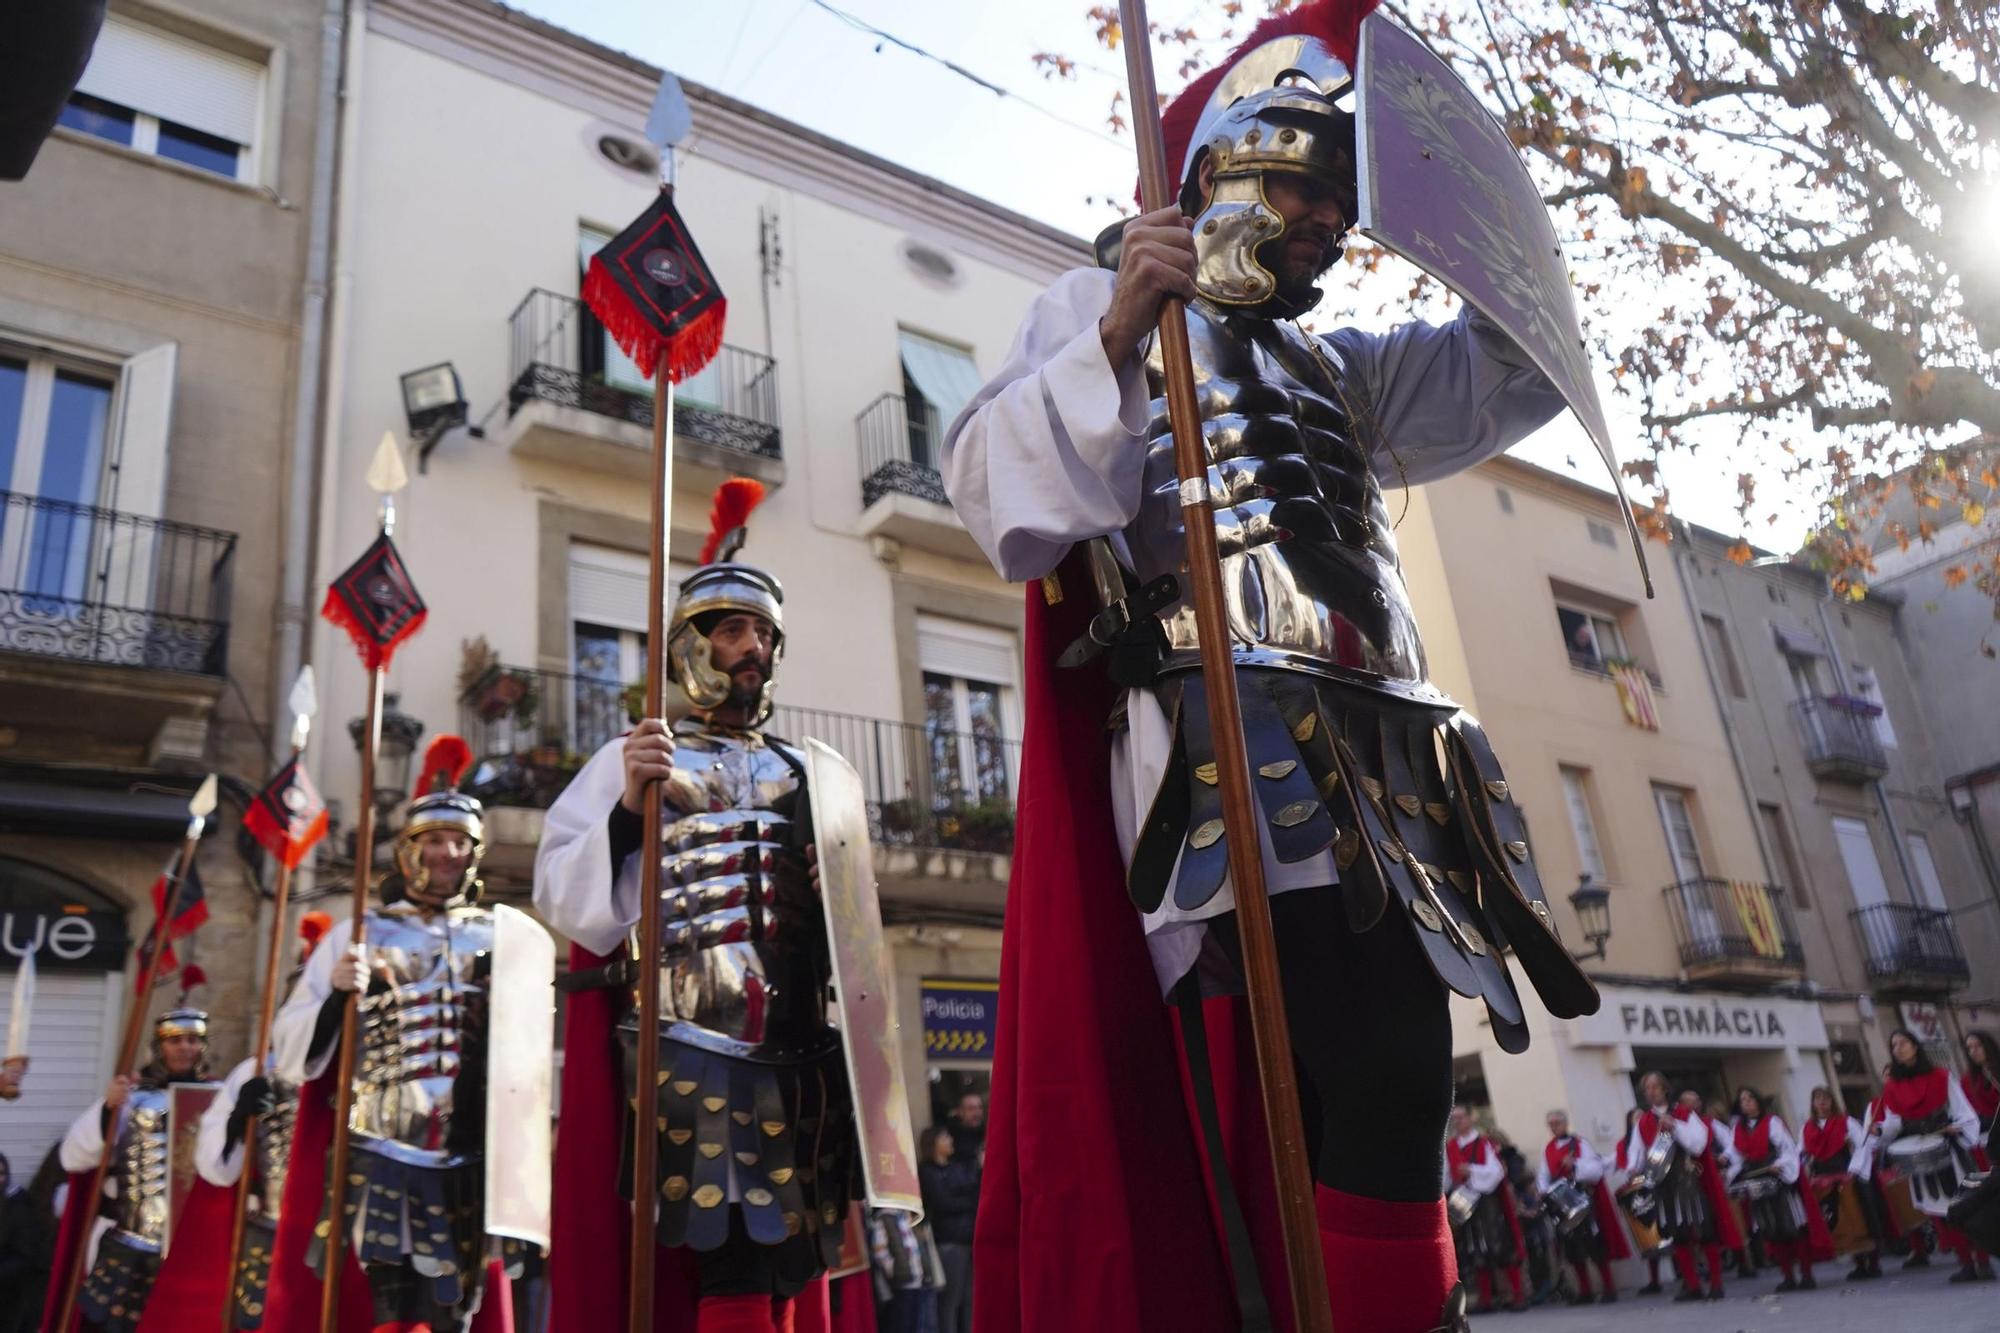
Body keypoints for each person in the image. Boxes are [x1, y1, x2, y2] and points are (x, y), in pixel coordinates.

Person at [940, 4, 1604, 1327]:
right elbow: (992, 491)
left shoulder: (1341, 368)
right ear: (1230, 171)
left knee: (1408, 1079)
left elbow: (1516, 374)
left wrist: (1479, 216)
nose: (1331, 224)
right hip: (1228, 760)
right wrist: (1126, 323)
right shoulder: (1096, 305)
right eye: (1310, 187)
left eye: (1346, 205)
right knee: (1287, 1095)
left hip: (1397, 769)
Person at [537, 482, 904, 1333]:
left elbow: (851, 934)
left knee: (785, 1267)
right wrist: (631, 809)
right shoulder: (637, 753)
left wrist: (834, 885)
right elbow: (569, 897)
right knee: (728, 1262)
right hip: (687, 1045)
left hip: (801, 1050)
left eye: (765, 633)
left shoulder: (811, 772)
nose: (753, 648)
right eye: (733, 629)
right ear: (690, 646)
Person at [270, 736, 547, 1331]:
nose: (447, 853)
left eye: (460, 842)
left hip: (474, 1153)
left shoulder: (506, 936)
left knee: (458, 1313)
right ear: (406, 852)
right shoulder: (359, 933)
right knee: (390, 1309)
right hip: (382, 1149)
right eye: (433, 841)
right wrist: (339, 997)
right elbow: (290, 1046)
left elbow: (528, 1062)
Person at [194, 911, 332, 1329]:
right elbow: (214, 1165)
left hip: (340, 1239)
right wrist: (239, 1120)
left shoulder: (365, 1072)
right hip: (270, 1234)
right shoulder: (255, 1071)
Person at [48, 1007, 210, 1332]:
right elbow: (74, 1156)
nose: (185, 1048)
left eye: (193, 1040)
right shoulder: (132, 1097)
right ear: (159, 1046)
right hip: (129, 1240)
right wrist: (109, 1108)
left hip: (190, 1243)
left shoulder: (216, 1100)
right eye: (176, 1040)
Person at [1871, 1027, 1991, 1283]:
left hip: (1949, 1147)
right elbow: (1894, 1122)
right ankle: (1966, 1263)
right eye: (1894, 1045)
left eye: (1903, 1042)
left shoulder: (1940, 1077)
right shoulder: (1893, 1087)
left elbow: (1963, 1110)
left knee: (1967, 1207)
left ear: (1915, 1046)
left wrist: (1957, 1127)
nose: (1898, 1048)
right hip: (1920, 1152)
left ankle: (1983, 1261)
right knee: (1946, 1211)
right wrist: (1880, 1129)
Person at [1623, 1074, 1741, 1302]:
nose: (1651, 1091)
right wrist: (1632, 1170)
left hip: (1688, 1181)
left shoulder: (1684, 1113)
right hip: (1664, 1184)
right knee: (1679, 1236)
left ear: (1665, 1089)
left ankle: (1716, 1283)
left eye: (1656, 1086)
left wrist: (1674, 1125)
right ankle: (1693, 1285)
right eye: (1647, 1088)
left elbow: (1699, 1143)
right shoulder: (1644, 1122)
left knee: (1704, 1232)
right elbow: (1636, 1152)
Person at [1725, 1087, 1832, 1292]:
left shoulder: (1772, 1122)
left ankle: (1807, 1274)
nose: (1746, 1102)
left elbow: (1787, 1148)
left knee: (1793, 1227)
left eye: (1750, 1098)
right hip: (1757, 1181)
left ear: (1758, 1101)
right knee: (1771, 1230)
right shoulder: (1738, 1129)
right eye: (1743, 1100)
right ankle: (1788, 1276)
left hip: (1779, 1180)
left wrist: (1780, 1165)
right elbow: (1736, 1152)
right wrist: (1727, 1162)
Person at [1536, 1109, 1624, 1304]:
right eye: (1551, 1124)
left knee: (1595, 1246)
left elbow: (1595, 1168)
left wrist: (1575, 1163)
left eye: (1557, 1122)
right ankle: (1585, 1290)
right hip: (1563, 1205)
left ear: (1566, 1123)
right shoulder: (1548, 1149)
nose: (1554, 1127)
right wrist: (1543, 1189)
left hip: (1583, 1200)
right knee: (1573, 1249)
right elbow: (1543, 1175)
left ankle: (1609, 1288)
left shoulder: (1580, 1143)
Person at [1445, 1109, 1526, 1314]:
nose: (1457, 1122)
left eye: (1460, 1117)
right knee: (1475, 1250)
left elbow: (1497, 1171)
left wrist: (1471, 1170)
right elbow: (1446, 1177)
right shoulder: (1451, 1147)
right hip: (1466, 1202)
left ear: (1470, 1119)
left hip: (1487, 1201)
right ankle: (1486, 1299)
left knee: (1500, 1246)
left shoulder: (1484, 1143)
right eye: (1454, 1118)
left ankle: (1518, 1295)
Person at [1802, 1085, 1884, 1281]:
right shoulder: (1807, 1128)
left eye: (1826, 1098)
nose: (1822, 1103)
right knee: (1841, 1220)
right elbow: (1801, 1151)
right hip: (1823, 1177)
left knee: (1859, 1216)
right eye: (1818, 1099)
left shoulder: (1846, 1122)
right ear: (1813, 1103)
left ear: (1832, 1101)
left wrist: (1853, 1170)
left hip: (1847, 1173)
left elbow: (1862, 1144)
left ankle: (1873, 1262)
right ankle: (1858, 1263)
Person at [918, 1127, 977, 1333]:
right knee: (949, 1301)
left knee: (969, 1299)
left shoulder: (955, 1167)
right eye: (945, 1137)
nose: (950, 1140)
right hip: (949, 1241)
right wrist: (966, 1201)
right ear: (933, 1143)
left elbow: (972, 1189)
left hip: (967, 1238)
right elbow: (943, 1203)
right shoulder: (928, 1171)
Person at [1612, 1108, 1665, 1296]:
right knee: (1647, 1234)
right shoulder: (1623, 1144)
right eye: (1636, 1117)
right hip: (1638, 1190)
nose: (1640, 1120)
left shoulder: (1657, 1135)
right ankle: (1654, 1279)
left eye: (1642, 1116)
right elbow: (1623, 1166)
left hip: (1658, 1184)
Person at [867, 1205, 942, 1333]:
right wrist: (893, 1271)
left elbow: (918, 1245)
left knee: (920, 1324)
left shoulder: (909, 1214)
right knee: (903, 1324)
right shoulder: (884, 1217)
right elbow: (880, 1252)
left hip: (919, 1281)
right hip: (902, 1284)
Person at [1961, 1030, 2000, 1142]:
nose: (1973, 1051)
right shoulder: (1967, 1080)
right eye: (1969, 1048)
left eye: (1978, 1046)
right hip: (1992, 1134)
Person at [946, 1093, 986, 1167]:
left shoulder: (989, 1131)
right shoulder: (951, 1138)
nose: (977, 1113)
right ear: (960, 1112)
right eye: (971, 1109)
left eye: (979, 1107)